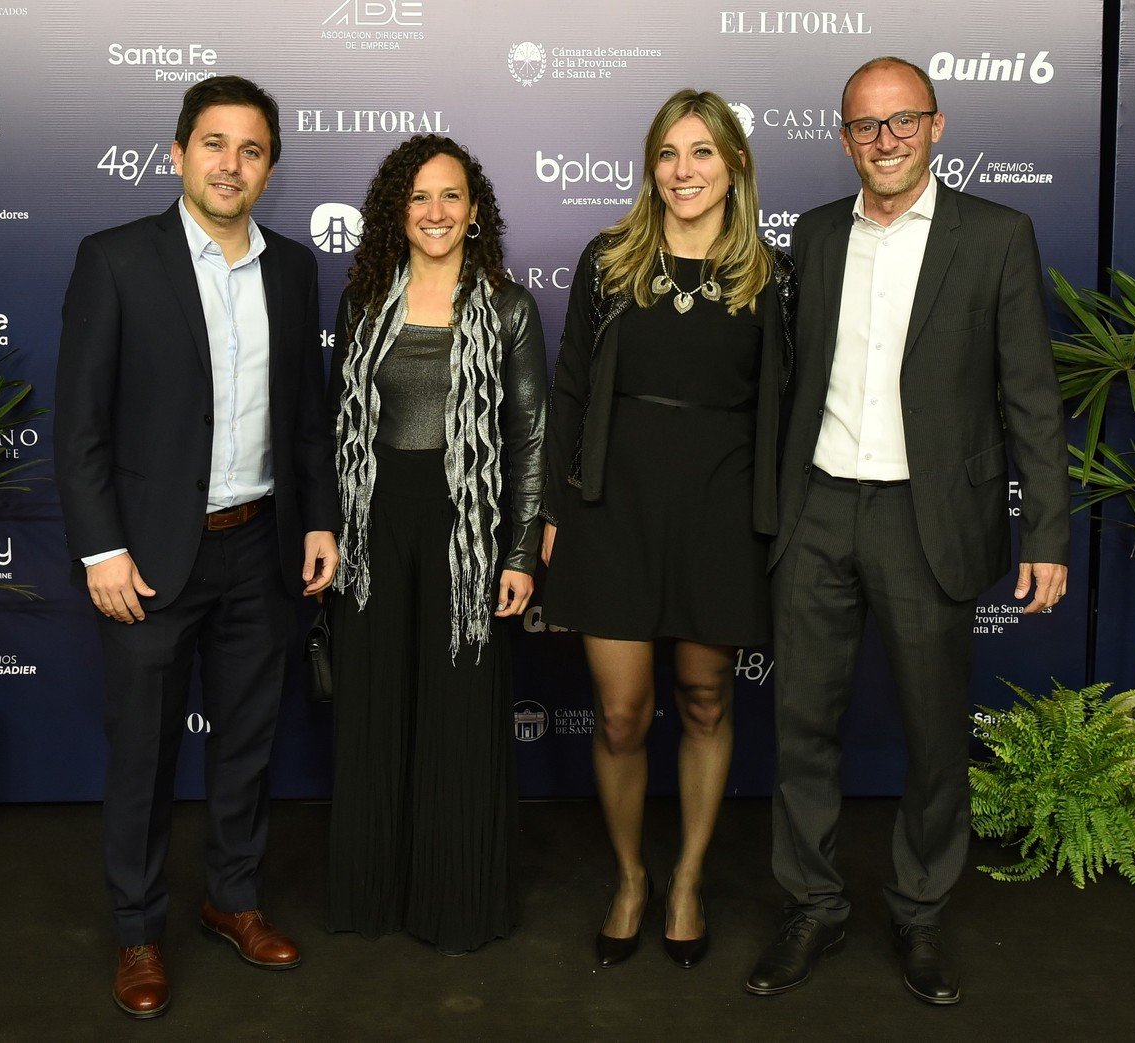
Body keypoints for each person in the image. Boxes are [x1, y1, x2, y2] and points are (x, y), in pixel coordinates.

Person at [748, 56, 1068, 1005]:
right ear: (842, 137)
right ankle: (812, 902)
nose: (883, 141)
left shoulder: (997, 236)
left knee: (934, 736)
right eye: (863, 126)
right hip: (816, 511)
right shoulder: (808, 236)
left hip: (927, 518)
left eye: (901, 122)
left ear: (936, 125)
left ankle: (919, 912)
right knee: (800, 727)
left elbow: (1032, 401)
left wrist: (1044, 534)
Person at [54, 75, 340, 1019]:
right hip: (148, 561)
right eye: (213, 144)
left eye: (251, 149)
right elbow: (81, 426)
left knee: (246, 747)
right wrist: (101, 550)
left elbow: (307, 417)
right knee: (142, 755)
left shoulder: (294, 270)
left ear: (269, 167)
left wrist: (316, 519)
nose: (231, 163)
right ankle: (137, 930)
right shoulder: (116, 260)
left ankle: (234, 898)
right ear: (177, 154)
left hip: (259, 549)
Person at [543, 89, 795, 970]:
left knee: (703, 699)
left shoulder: (771, 273)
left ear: (733, 166)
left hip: (721, 513)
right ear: (649, 166)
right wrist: (552, 506)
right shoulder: (610, 260)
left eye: (701, 154)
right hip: (613, 507)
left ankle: (685, 878)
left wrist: (776, 523)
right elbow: (567, 388)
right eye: (667, 154)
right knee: (619, 714)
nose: (682, 171)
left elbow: (786, 410)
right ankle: (630, 877)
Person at [326, 135, 546, 955]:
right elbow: (335, 426)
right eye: (419, 198)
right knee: (378, 707)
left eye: (451, 196)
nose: (436, 212)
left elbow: (528, 439)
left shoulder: (510, 308)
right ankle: (373, 894)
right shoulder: (363, 304)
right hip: (372, 526)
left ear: (476, 212)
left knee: (457, 713)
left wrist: (519, 552)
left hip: (469, 530)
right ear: (397, 212)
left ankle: (456, 902)